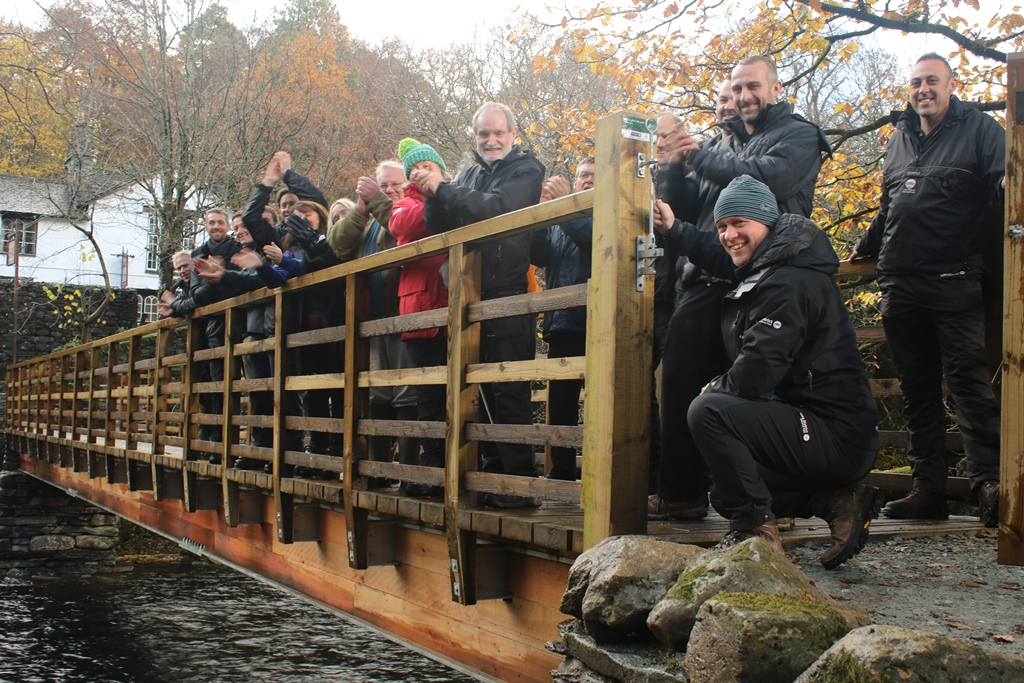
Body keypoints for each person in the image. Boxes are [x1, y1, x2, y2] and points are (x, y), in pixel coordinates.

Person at [656, 175, 880, 568]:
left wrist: (715, 388)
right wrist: (677, 230)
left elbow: (757, 373)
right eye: (723, 226)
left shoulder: (790, 280)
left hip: (836, 433)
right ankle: (838, 501)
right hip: (816, 430)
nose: (729, 235)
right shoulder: (769, 266)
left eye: (740, 223)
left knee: (708, 411)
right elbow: (715, 254)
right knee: (727, 491)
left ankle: (753, 535)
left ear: (768, 223)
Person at [649, 56, 831, 521]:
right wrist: (673, 162)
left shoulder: (799, 133)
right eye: (737, 89)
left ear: (775, 87)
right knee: (680, 380)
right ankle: (682, 492)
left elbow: (764, 180)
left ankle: (782, 501)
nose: (744, 97)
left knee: (765, 388)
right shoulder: (724, 140)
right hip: (709, 273)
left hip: (771, 277)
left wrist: (699, 156)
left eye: (753, 87)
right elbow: (689, 203)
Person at [851, 53, 1004, 526]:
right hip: (900, 281)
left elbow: (1006, 184)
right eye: (915, 82)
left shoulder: (980, 129)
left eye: (931, 81)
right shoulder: (900, 136)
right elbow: (890, 204)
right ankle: (928, 492)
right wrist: (868, 245)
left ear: (951, 84)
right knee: (916, 389)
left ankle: (990, 487)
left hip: (955, 277)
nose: (922, 89)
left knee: (968, 385)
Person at [416, 101, 546, 508]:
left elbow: (497, 209)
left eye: (497, 133)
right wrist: (434, 190)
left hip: (507, 291)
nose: (490, 141)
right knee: (480, 387)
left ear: (512, 134)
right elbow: (441, 225)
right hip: (469, 291)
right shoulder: (470, 173)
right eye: (482, 135)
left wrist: (442, 188)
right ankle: (492, 479)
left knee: (509, 387)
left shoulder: (528, 169)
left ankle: (520, 483)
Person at [327, 160, 419, 484]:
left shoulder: (408, 208)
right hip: (371, 321)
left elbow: (402, 231)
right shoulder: (366, 221)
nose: (390, 191)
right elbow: (337, 244)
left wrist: (379, 202)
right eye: (383, 186)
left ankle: (409, 471)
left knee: (408, 395)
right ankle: (379, 471)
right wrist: (360, 208)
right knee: (377, 396)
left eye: (395, 184)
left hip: (404, 316)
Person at [387, 139, 452, 497]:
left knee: (459, 392)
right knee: (428, 398)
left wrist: (445, 193)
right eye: (415, 171)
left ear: (440, 167)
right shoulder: (404, 203)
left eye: (428, 166)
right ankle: (432, 469)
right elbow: (405, 227)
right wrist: (435, 193)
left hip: (455, 308)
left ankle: (456, 468)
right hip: (421, 315)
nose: (422, 173)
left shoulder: (453, 192)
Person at [529, 158, 594, 481]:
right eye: (582, 175)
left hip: (595, 321)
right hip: (561, 321)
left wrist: (564, 207)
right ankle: (562, 468)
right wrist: (542, 215)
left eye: (593, 176)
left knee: (597, 400)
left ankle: (597, 469)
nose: (586, 181)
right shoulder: (561, 216)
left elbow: (593, 240)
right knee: (561, 400)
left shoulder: (605, 212)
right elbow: (538, 255)